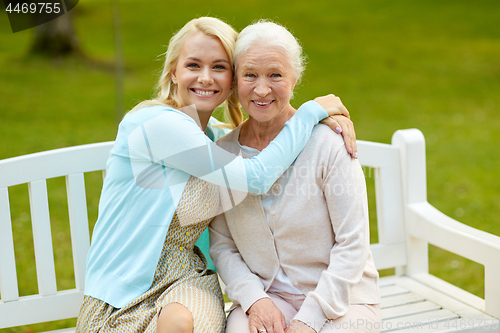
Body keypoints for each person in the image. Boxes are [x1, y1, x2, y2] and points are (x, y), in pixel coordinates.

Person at [76, 17, 354, 333]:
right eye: (194, 65)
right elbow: (257, 176)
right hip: (122, 291)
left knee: (183, 321)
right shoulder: (158, 124)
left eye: (219, 67)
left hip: (185, 278)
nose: (206, 78)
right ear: (173, 72)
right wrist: (312, 112)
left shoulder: (210, 137)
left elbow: (265, 124)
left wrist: (326, 123)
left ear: (232, 79)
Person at [209, 20, 381, 333]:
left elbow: (352, 244)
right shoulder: (223, 155)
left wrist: (309, 320)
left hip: (343, 299)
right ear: (235, 80)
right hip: (266, 297)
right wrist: (254, 300)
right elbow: (223, 246)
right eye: (250, 75)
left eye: (275, 74)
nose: (262, 89)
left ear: (295, 78)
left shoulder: (329, 142)